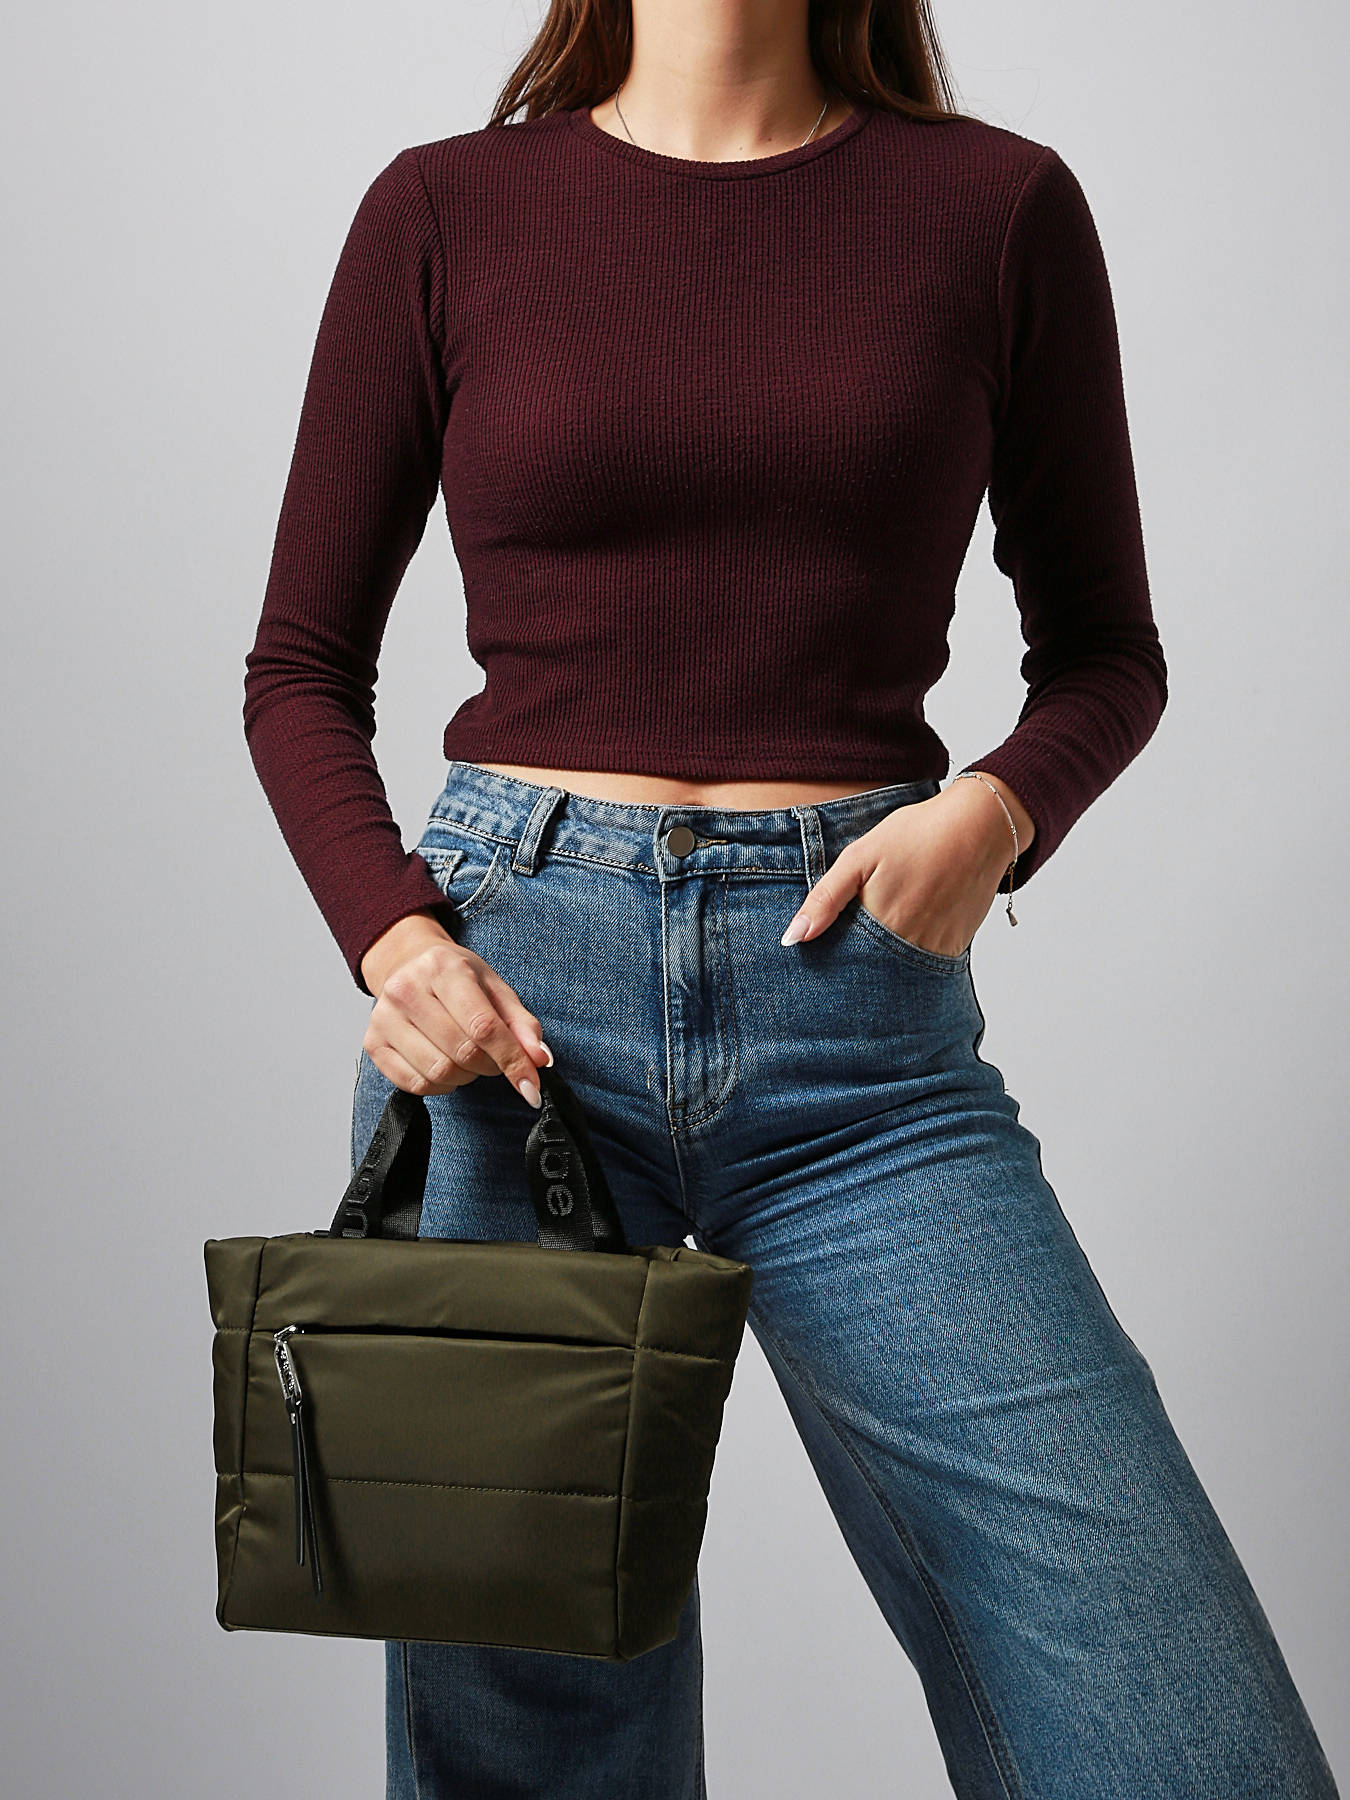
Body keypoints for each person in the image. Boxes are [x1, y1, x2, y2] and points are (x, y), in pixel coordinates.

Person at [241, 3, 1340, 1795]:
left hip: (859, 1045)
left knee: (1169, 1721)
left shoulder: (995, 210)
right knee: (536, 1744)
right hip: (509, 1036)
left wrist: (994, 814)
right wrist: (397, 935)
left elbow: (1105, 654)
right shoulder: (444, 209)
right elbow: (297, 667)